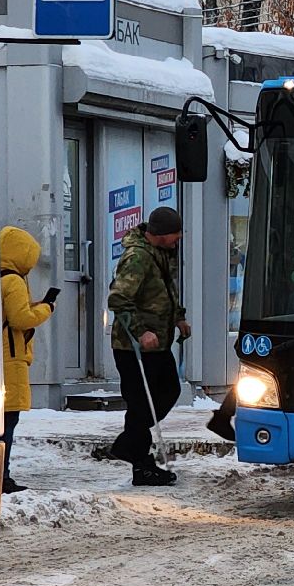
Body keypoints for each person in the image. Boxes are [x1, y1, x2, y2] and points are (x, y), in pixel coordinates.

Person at [107, 206, 188, 486]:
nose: (179, 238)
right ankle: (142, 465)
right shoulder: (138, 257)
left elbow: (165, 291)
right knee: (142, 403)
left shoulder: (162, 255)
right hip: (134, 347)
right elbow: (118, 299)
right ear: (162, 234)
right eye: (176, 234)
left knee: (167, 391)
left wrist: (178, 318)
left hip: (159, 343)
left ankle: (128, 444)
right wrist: (141, 332)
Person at [0, 226, 58, 494]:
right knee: (8, 422)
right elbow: (21, 320)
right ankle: (3, 477)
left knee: (1, 422)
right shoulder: (12, 281)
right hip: (10, 359)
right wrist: (46, 308)